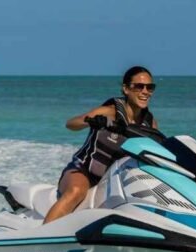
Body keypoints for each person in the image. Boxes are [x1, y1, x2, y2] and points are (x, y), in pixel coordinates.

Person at [43, 66, 159, 224]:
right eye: (139, 86)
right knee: (76, 191)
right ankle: (41, 235)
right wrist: (91, 121)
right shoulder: (109, 111)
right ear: (126, 89)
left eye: (150, 87)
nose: (145, 91)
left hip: (115, 181)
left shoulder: (150, 124)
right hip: (83, 171)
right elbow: (70, 124)